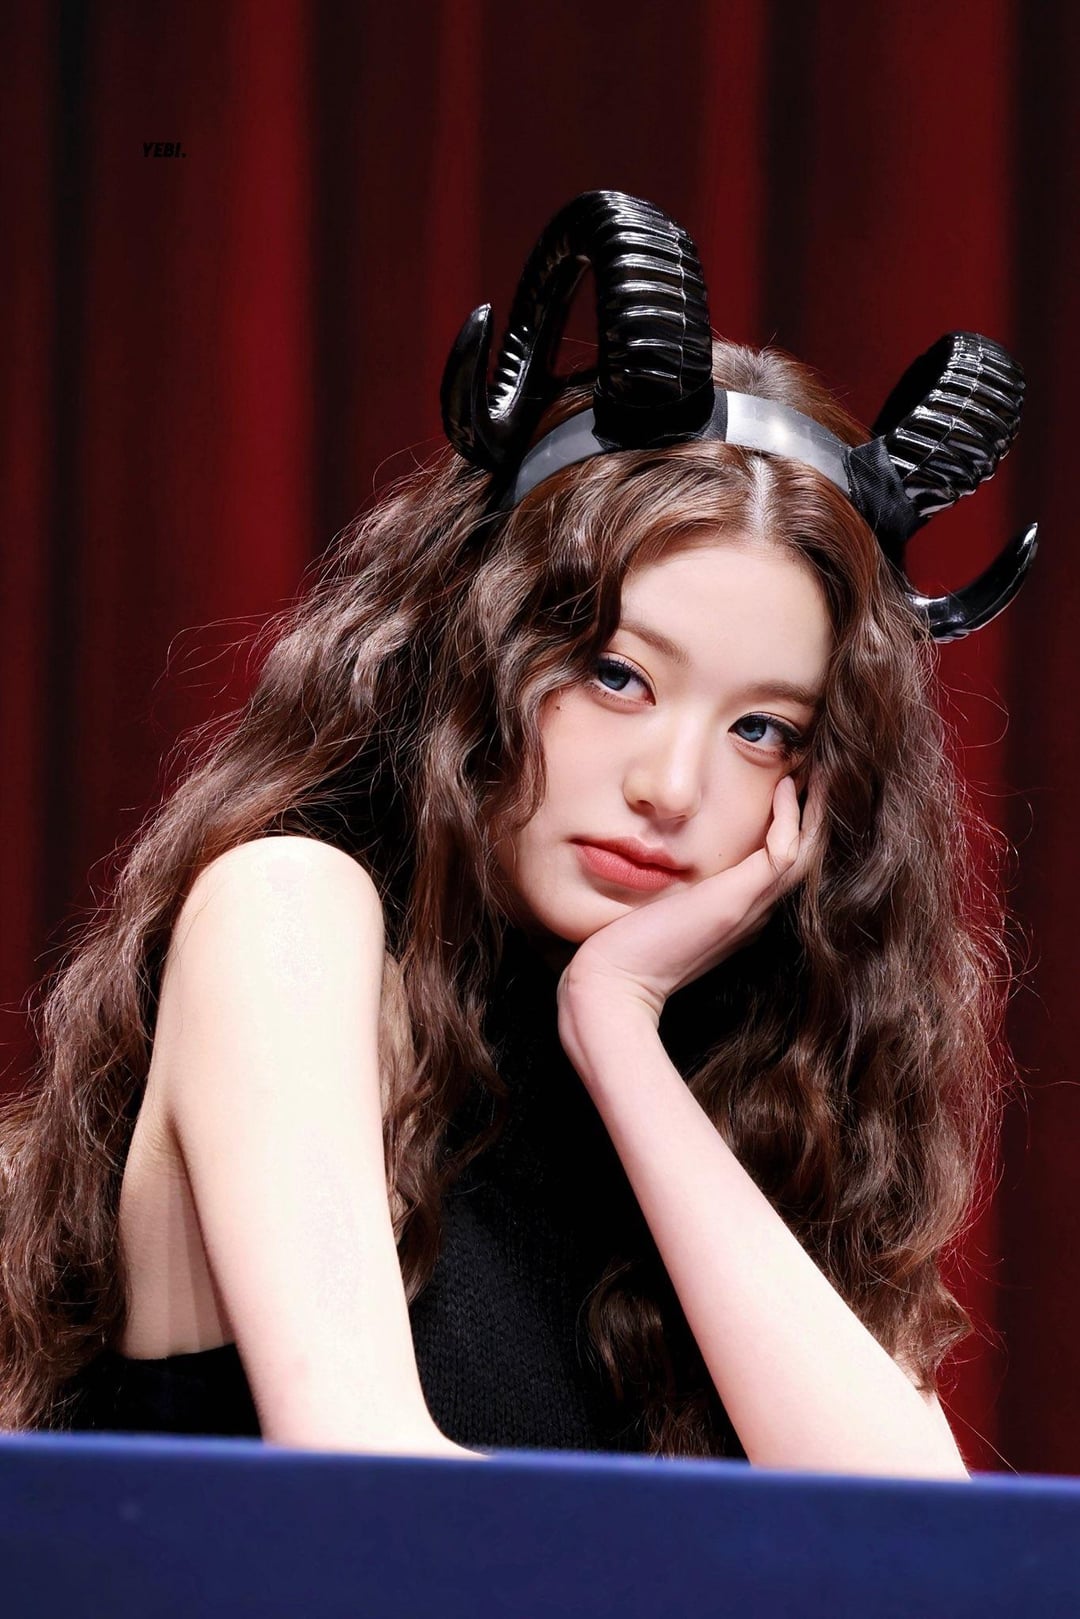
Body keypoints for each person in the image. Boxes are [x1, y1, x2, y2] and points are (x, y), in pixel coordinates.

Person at [0, 192, 1036, 1475]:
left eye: (762, 728)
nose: (672, 785)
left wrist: (618, 1028)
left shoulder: (740, 1089)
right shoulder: (291, 914)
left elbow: (919, 1540)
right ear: (481, 645)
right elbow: (377, 1486)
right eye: (616, 673)